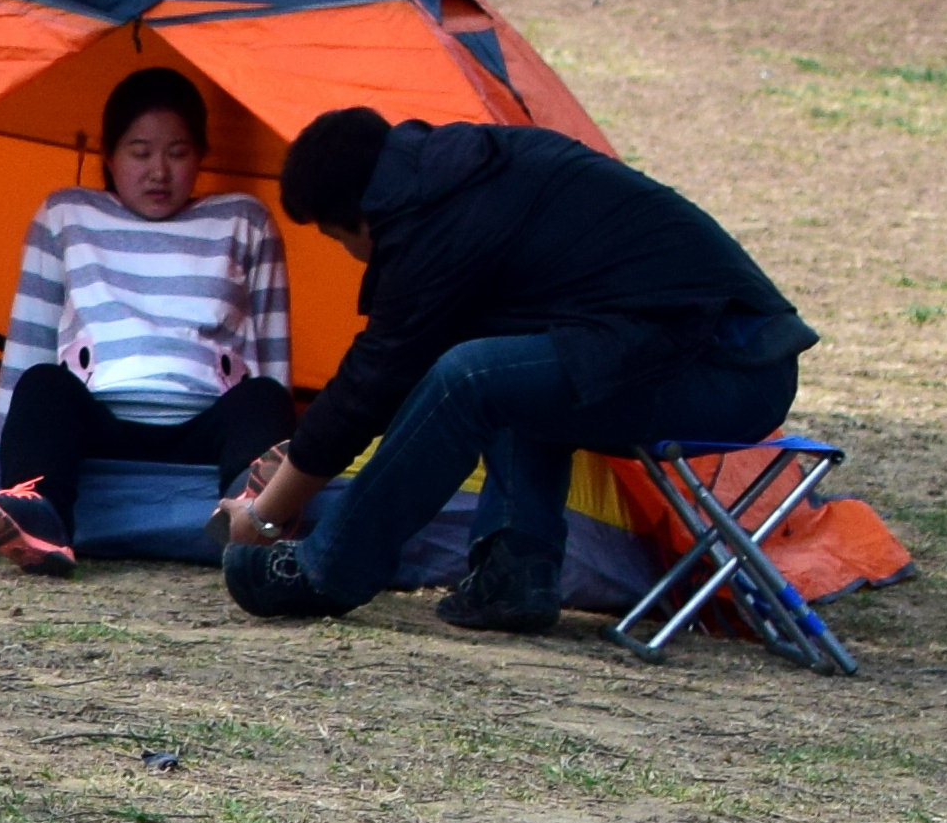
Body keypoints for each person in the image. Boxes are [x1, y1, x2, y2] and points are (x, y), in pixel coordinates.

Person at [222, 105, 816, 635]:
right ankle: (513, 576)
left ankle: (327, 569)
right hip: (700, 353)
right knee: (510, 357)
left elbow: (370, 387)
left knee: (472, 375)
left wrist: (266, 515)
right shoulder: (468, 173)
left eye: (336, 239)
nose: (352, 258)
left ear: (359, 215)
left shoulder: (439, 224)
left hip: (728, 368)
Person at [0, 67, 294, 576]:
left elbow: (272, 346)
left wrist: (288, 453)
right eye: (140, 152)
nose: (159, 171)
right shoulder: (65, 214)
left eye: (177, 153)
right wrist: (3, 460)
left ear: (200, 156)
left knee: (265, 394)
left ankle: (253, 512)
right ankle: (38, 519)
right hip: (100, 413)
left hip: (207, 417)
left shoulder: (245, 218)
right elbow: (30, 339)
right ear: (109, 156)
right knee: (42, 384)